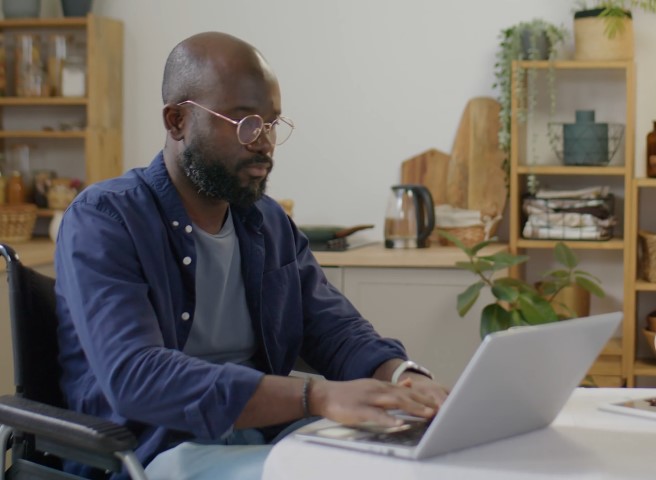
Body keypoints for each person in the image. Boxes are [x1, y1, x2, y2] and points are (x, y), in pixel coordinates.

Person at [54, 31, 449, 480]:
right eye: (244, 122)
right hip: (157, 449)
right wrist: (314, 398)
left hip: (266, 439)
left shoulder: (266, 221)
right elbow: (136, 376)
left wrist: (402, 377)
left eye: (271, 124)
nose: (263, 141)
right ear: (177, 121)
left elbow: (335, 330)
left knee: (410, 462)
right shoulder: (105, 219)